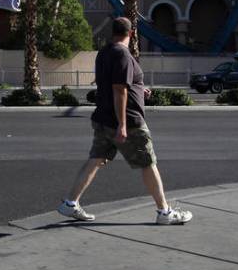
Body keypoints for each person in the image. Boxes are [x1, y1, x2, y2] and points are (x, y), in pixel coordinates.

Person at [57, 17, 193, 225]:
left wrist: (139, 89)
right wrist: (122, 124)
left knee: (96, 159)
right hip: (127, 121)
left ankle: (70, 203)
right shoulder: (123, 54)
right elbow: (119, 89)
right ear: (131, 34)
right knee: (148, 163)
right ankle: (164, 212)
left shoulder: (104, 53)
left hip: (103, 118)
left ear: (113, 32)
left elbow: (119, 84)